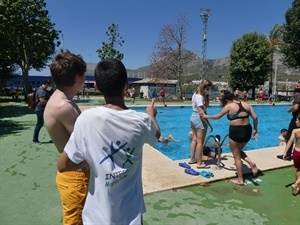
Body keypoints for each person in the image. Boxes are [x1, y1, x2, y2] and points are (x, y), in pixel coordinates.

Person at [57, 58, 161, 224]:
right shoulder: (142, 121)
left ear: (97, 87)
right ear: (126, 86)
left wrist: (93, 161)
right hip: (130, 216)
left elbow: (63, 165)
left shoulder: (86, 119)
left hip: (96, 216)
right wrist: (152, 116)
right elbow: (155, 136)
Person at [44, 51, 89, 225]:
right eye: (84, 74)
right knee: (75, 221)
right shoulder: (64, 106)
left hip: (73, 173)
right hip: (76, 176)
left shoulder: (61, 99)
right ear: (78, 77)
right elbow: (86, 142)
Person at [201, 91, 259, 185]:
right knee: (238, 150)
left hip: (236, 130)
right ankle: (251, 164)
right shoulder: (246, 104)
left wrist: (205, 116)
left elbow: (217, 117)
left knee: (236, 156)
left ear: (228, 100)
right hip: (248, 130)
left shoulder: (229, 106)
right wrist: (256, 128)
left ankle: (240, 179)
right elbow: (255, 117)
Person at [189, 79, 213, 168]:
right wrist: (210, 124)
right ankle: (199, 163)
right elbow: (202, 113)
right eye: (208, 88)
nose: (209, 90)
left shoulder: (195, 94)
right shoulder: (200, 97)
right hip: (199, 119)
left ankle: (192, 159)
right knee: (200, 142)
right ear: (205, 87)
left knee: (194, 139)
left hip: (193, 117)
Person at [277, 81, 300, 160]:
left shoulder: (299, 96)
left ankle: (287, 155)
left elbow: (296, 107)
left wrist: (290, 109)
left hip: (297, 119)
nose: (297, 85)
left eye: (298, 83)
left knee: (289, 136)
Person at [283, 114, 300, 196]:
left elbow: (290, 141)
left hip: (296, 152)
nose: (296, 122)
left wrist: (285, 152)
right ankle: (296, 184)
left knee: (298, 169)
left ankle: (297, 188)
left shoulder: (295, 131)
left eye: (297, 120)